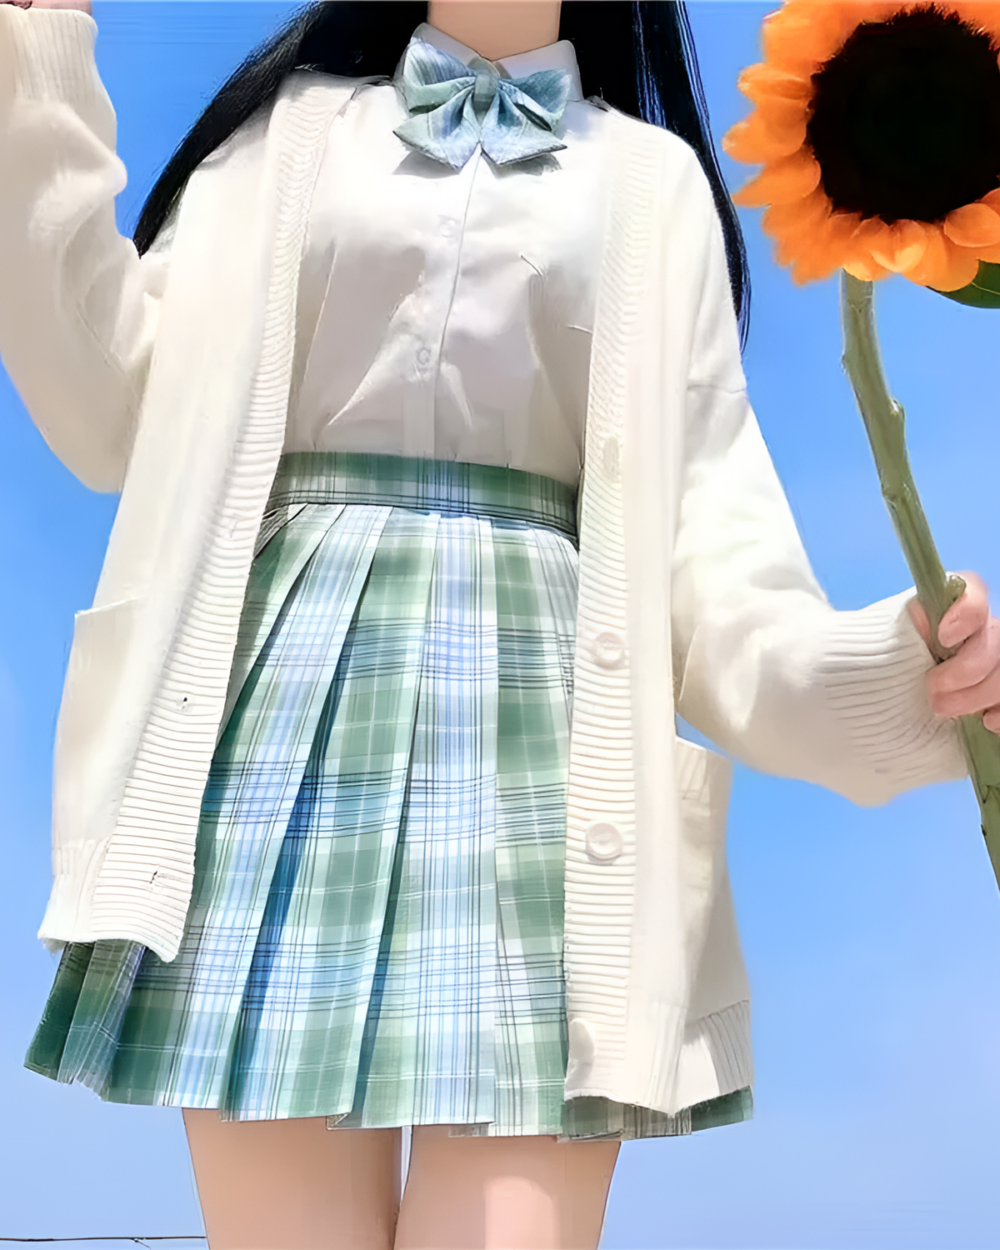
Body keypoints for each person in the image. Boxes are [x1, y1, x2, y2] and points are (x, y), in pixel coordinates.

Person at [2, 1, 999, 1247]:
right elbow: (110, 406)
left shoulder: (652, 186)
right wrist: (32, 66)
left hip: (548, 768)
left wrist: (902, 671)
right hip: (277, 748)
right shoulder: (285, 138)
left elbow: (719, 569)